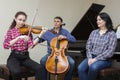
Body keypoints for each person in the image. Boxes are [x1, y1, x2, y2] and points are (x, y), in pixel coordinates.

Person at [78, 12, 117, 80]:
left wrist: (95, 59)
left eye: (99, 20)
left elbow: (110, 51)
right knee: (80, 68)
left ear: (105, 20)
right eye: (97, 20)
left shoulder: (112, 34)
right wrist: (90, 58)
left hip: (104, 60)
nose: (97, 22)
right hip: (91, 56)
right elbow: (88, 46)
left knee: (93, 67)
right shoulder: (93, 32)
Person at [3, 11, 41, 80]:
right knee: (16, 71)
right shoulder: (10, 31)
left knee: (39, 68)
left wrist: (40, 35)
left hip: (25, 57)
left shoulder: (27, 31)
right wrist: (18, 38)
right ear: (15, 19)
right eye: (20, 20)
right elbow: (5, 46)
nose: (22, 22)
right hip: (14, 57)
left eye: (23, 20)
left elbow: (31, 46)